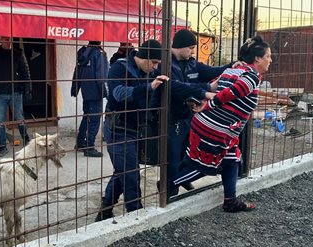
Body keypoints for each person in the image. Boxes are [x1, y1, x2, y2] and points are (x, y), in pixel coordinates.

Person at [172, 36, 272, 212]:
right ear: (257, 58)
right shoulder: (251, 76)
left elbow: (215, 85)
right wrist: (207, 104)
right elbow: (231, 92)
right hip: (215, 129)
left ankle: (230, 201)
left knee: (232, 159)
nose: (270, 60)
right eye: (268, 56)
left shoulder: (234, 70)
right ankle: (168, 185)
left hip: (214, 126)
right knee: (204, 165)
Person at [95, 39, 169, 221]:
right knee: (130, 174)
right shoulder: (118, 68)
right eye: (154, 62)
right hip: (118, 128)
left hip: (137, 129)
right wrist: (149, 87)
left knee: (123, 170)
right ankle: (136, 215)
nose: (155, 67)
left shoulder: (150, 71)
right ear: (144, 57)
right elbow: (118, 94)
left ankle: (105, 210)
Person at [154, 28, 231, 197]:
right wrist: (203, 90)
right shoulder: (165, 64)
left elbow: (212, 71)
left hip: (189, 118)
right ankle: (169, 195)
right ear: (180, 46)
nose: (192, 51)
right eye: (190, 48)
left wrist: (232, 66)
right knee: (172, 160)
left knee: (188, 156)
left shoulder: (191, 63)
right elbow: (174, 87)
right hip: (170, 118)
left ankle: (177, 181)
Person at [0, 36, 32, 157]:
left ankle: (27, 142)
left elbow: (26, 74)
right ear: (0, 40)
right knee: (0, 121)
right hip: (0, 94)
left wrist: (28, 91)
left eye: (9, 38)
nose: (8, 40)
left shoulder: (18, 54)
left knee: (19, 118)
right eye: (5, 38)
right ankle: (2, 147)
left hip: (16, 93)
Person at [71, 41, 109, 157]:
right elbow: (101, 75)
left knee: (86, 116)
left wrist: (75, 89)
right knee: (95, 119)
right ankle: (89, 146)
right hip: (95, 92)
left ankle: (80, 143)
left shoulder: (83, 54)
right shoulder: (98, 54)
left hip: (85, 92)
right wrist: (105, 92)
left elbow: (77, 72)